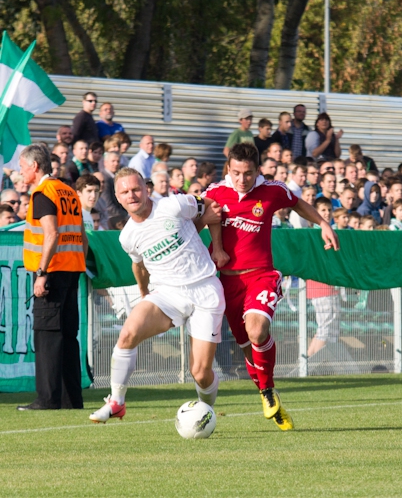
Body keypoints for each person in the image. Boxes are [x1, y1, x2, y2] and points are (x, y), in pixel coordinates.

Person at [204, 143, 339, 430]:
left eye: (249, 173)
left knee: (256, 330)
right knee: (247, 348)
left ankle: (266, 391)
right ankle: (269, 395)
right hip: (227, 283)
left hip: (261, 276)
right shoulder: (214, 193)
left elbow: (297, 203)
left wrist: (323, 224)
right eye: (237, 172)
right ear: (228, 168)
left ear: (258, 171)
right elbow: (194, 216)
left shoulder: (272, 191)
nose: (242, 179)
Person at [88, 168, 225, 422]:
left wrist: (216, 246)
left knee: (201, 372)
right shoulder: (127, 236)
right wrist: (143, 293)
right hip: (168, 294)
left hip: (204, 289)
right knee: (127, 333)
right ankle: (116, 402)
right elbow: (138, 265)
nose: (132, 195)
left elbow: (212, 206)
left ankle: (206, 412)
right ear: (117, 197)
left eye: (136, 189)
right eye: (125, 192)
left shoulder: (174, 205)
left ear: (146, 188)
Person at [17, 145, 88, 411]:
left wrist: (41, 273)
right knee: (68, 337)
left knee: (47, 336)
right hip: (72, 269)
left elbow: (51, 233)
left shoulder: (42, 193)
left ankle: (47, 399)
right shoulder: (68, 191)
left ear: (35, 167)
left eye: (23, 167)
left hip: (53, 271)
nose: (21, 171)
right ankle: (72, 400)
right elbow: (81, 235)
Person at [99, 151, 125, 226]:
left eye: (118, 161)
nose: (116, 164)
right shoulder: (104, 178)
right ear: (105, 163)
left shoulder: (117, 177)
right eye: (113, 161)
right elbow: (108, 204)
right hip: (112, 218)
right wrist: (124, 214)